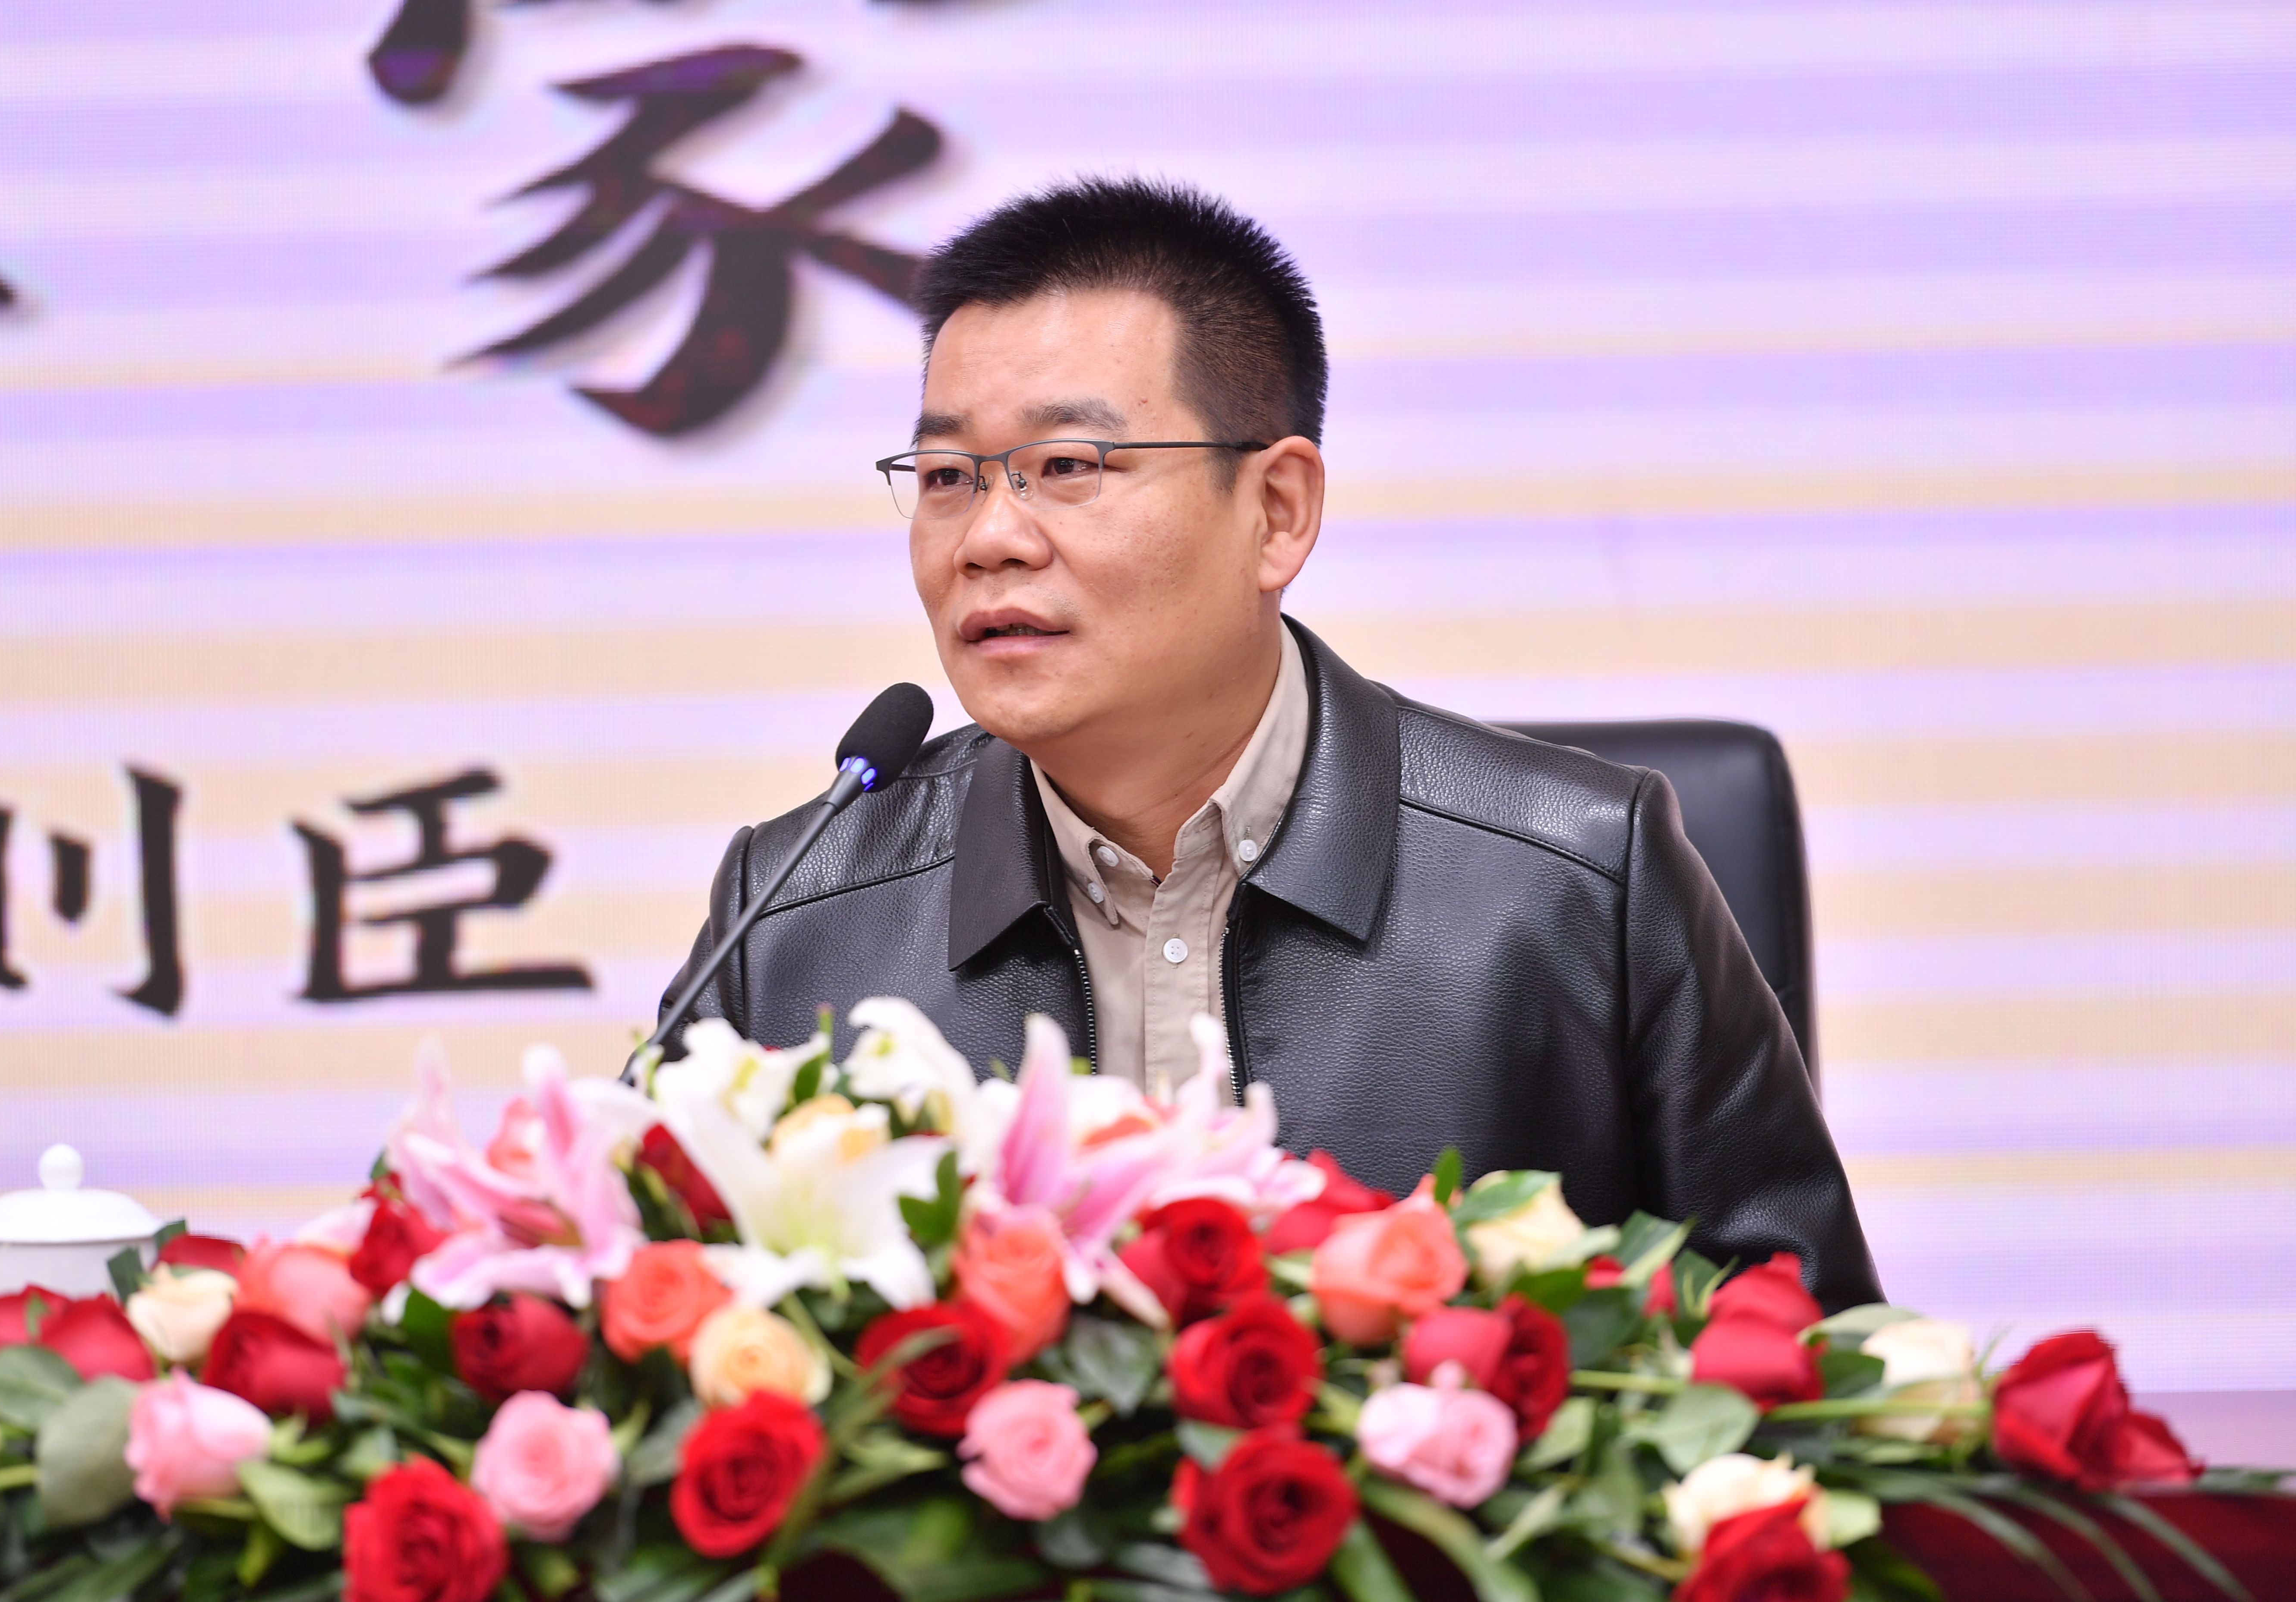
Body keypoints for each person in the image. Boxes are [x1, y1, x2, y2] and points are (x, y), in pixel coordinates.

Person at [659, 178, 1879, 1307]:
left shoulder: (1577, 888)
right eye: (945, 476)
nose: (989, 538)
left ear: (1278, 513)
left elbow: (1805, 1373)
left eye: (1066, 466)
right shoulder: (797, 913)